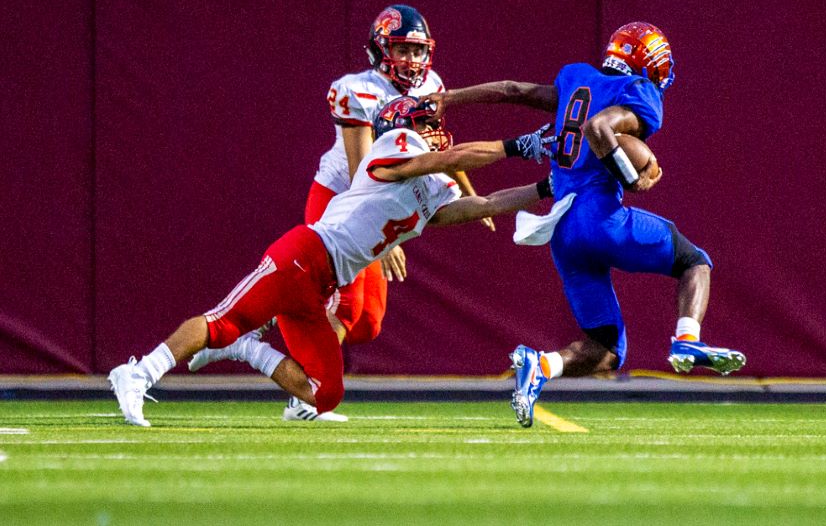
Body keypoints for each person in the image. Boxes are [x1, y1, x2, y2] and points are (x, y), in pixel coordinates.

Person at [108, 96, 555, 427]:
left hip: (324, 283)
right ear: (405, 126)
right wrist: (518, 146)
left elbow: (488, 203)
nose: (438, 128)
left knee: (325, 394)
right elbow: (447, 157)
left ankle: (246, 348)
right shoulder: (393, 150)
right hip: (303, 256)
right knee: (221, 320)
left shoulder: (434, 188)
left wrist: (544, 187)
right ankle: (138, 373)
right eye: (429, 121)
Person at [423, 21, 746, 428]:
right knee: (694, 261)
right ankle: (687, 340)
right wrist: (631, 178)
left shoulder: (577, 79)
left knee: (607, 348)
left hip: (562, 228)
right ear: (647, 62)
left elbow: (512, 90)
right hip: (600, 218)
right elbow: (598, 128)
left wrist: (450, 98)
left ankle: (539, 365)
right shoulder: (639, 92)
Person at [287, 4, 493, 421]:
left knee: (367, 323)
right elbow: (364, 171)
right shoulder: (357, 90)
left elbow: (438, 147)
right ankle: (305, 392)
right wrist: (383, 243)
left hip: (380, 199)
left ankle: (285, 303)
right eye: (403, 50)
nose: (413, 61)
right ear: (380, 49)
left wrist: (473, 195)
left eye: (418, 51)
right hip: (341, 199)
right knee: (346, 307)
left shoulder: (431, 85)